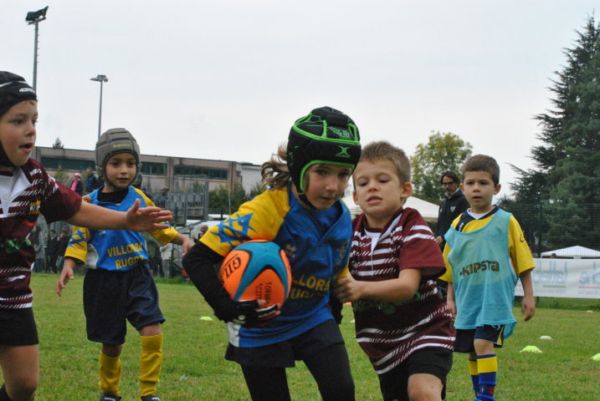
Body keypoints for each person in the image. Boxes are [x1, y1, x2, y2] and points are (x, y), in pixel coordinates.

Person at [0, 71, 171, 401]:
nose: (31, 129)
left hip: (13, 297)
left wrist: (126, 220)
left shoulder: (35, 178)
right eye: (17, 120)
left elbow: (77, 208)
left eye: (34, 119)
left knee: (24, 385)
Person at [183, 106, 361, 401]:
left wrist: (337, 302)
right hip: (259, 327)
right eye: (322, 172)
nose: (333, 186)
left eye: (344, 175)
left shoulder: (341, 217)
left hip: (312, 318)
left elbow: (335, 270)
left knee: (341, 391)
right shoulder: (267, 210)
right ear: (298, 166)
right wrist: (229, 309)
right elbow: (197, 258)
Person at [56, 128, 193, 401]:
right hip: (103, 281)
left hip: (137, 275)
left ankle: (149, 393)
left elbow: (159, 229)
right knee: (112, 344)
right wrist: (70, 263)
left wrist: (183, 240)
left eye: (130, 164)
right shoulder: (88, 204)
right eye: (116, 163)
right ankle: (109, 392)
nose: (124, 170)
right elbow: (79, 237)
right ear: (102, 166)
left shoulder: (140, 199)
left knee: (152, 328)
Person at [335, 141, 455, 401]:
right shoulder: (347, 233)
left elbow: (406, 287)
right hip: (382, 345)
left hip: (427, 331)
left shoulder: (411, 225)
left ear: (405, 189)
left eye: (382, 179)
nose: (372, 187)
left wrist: (359, 288)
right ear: (355, 196)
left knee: (422, 392)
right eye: (363, 183)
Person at [439, 154, 536, 401]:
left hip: (494, 298)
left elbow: (522, 261)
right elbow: (451, 264)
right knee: (472, 350)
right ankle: (478, 394)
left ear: (497, 188)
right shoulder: (458, 224)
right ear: (463, 188)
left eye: (483, 183)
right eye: (470, 183)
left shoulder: (506, 221)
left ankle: (485, 398)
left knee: (483, 343)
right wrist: (449, 299)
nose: (476, 188)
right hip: (467, 298)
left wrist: (528, 295)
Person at [435, 170, 469, 249]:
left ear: (456, 183)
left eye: (450, 183)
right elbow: (439, 223)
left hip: (455, 245)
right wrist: (438, 236)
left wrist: (444, 237)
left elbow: (463, 223)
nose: (447, 186)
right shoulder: (443, 202)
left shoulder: (463, 200)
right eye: (445, 184)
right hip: (441, 245)